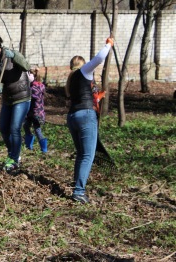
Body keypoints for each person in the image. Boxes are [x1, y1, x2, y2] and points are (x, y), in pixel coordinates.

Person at [65, 37, 114, 204]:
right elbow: (100, 58)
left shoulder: (71, 79)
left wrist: (97, 98)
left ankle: (77, 186)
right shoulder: (84, 71)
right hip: (86, 117)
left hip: (73, 117)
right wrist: (109, 44)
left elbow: (81, 96)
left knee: (81, 154)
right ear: (83, 64)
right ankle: (79, 192)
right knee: (87, 155)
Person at [0, 35, 31, 173]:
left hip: (22, 98)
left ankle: (13, 159)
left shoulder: (12, 55)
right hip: (8, 100)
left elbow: (26, 66)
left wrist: (14, 55)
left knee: (14, 128)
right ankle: (13, 154)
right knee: (3, 128)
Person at [23, 67, 48, 152]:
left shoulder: (34, 88)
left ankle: (42, 147)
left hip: (35, 113)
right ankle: (30, 143)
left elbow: (33, 97)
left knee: (36, 129)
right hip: (34, 112)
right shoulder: (38, 86)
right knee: (27, 126)